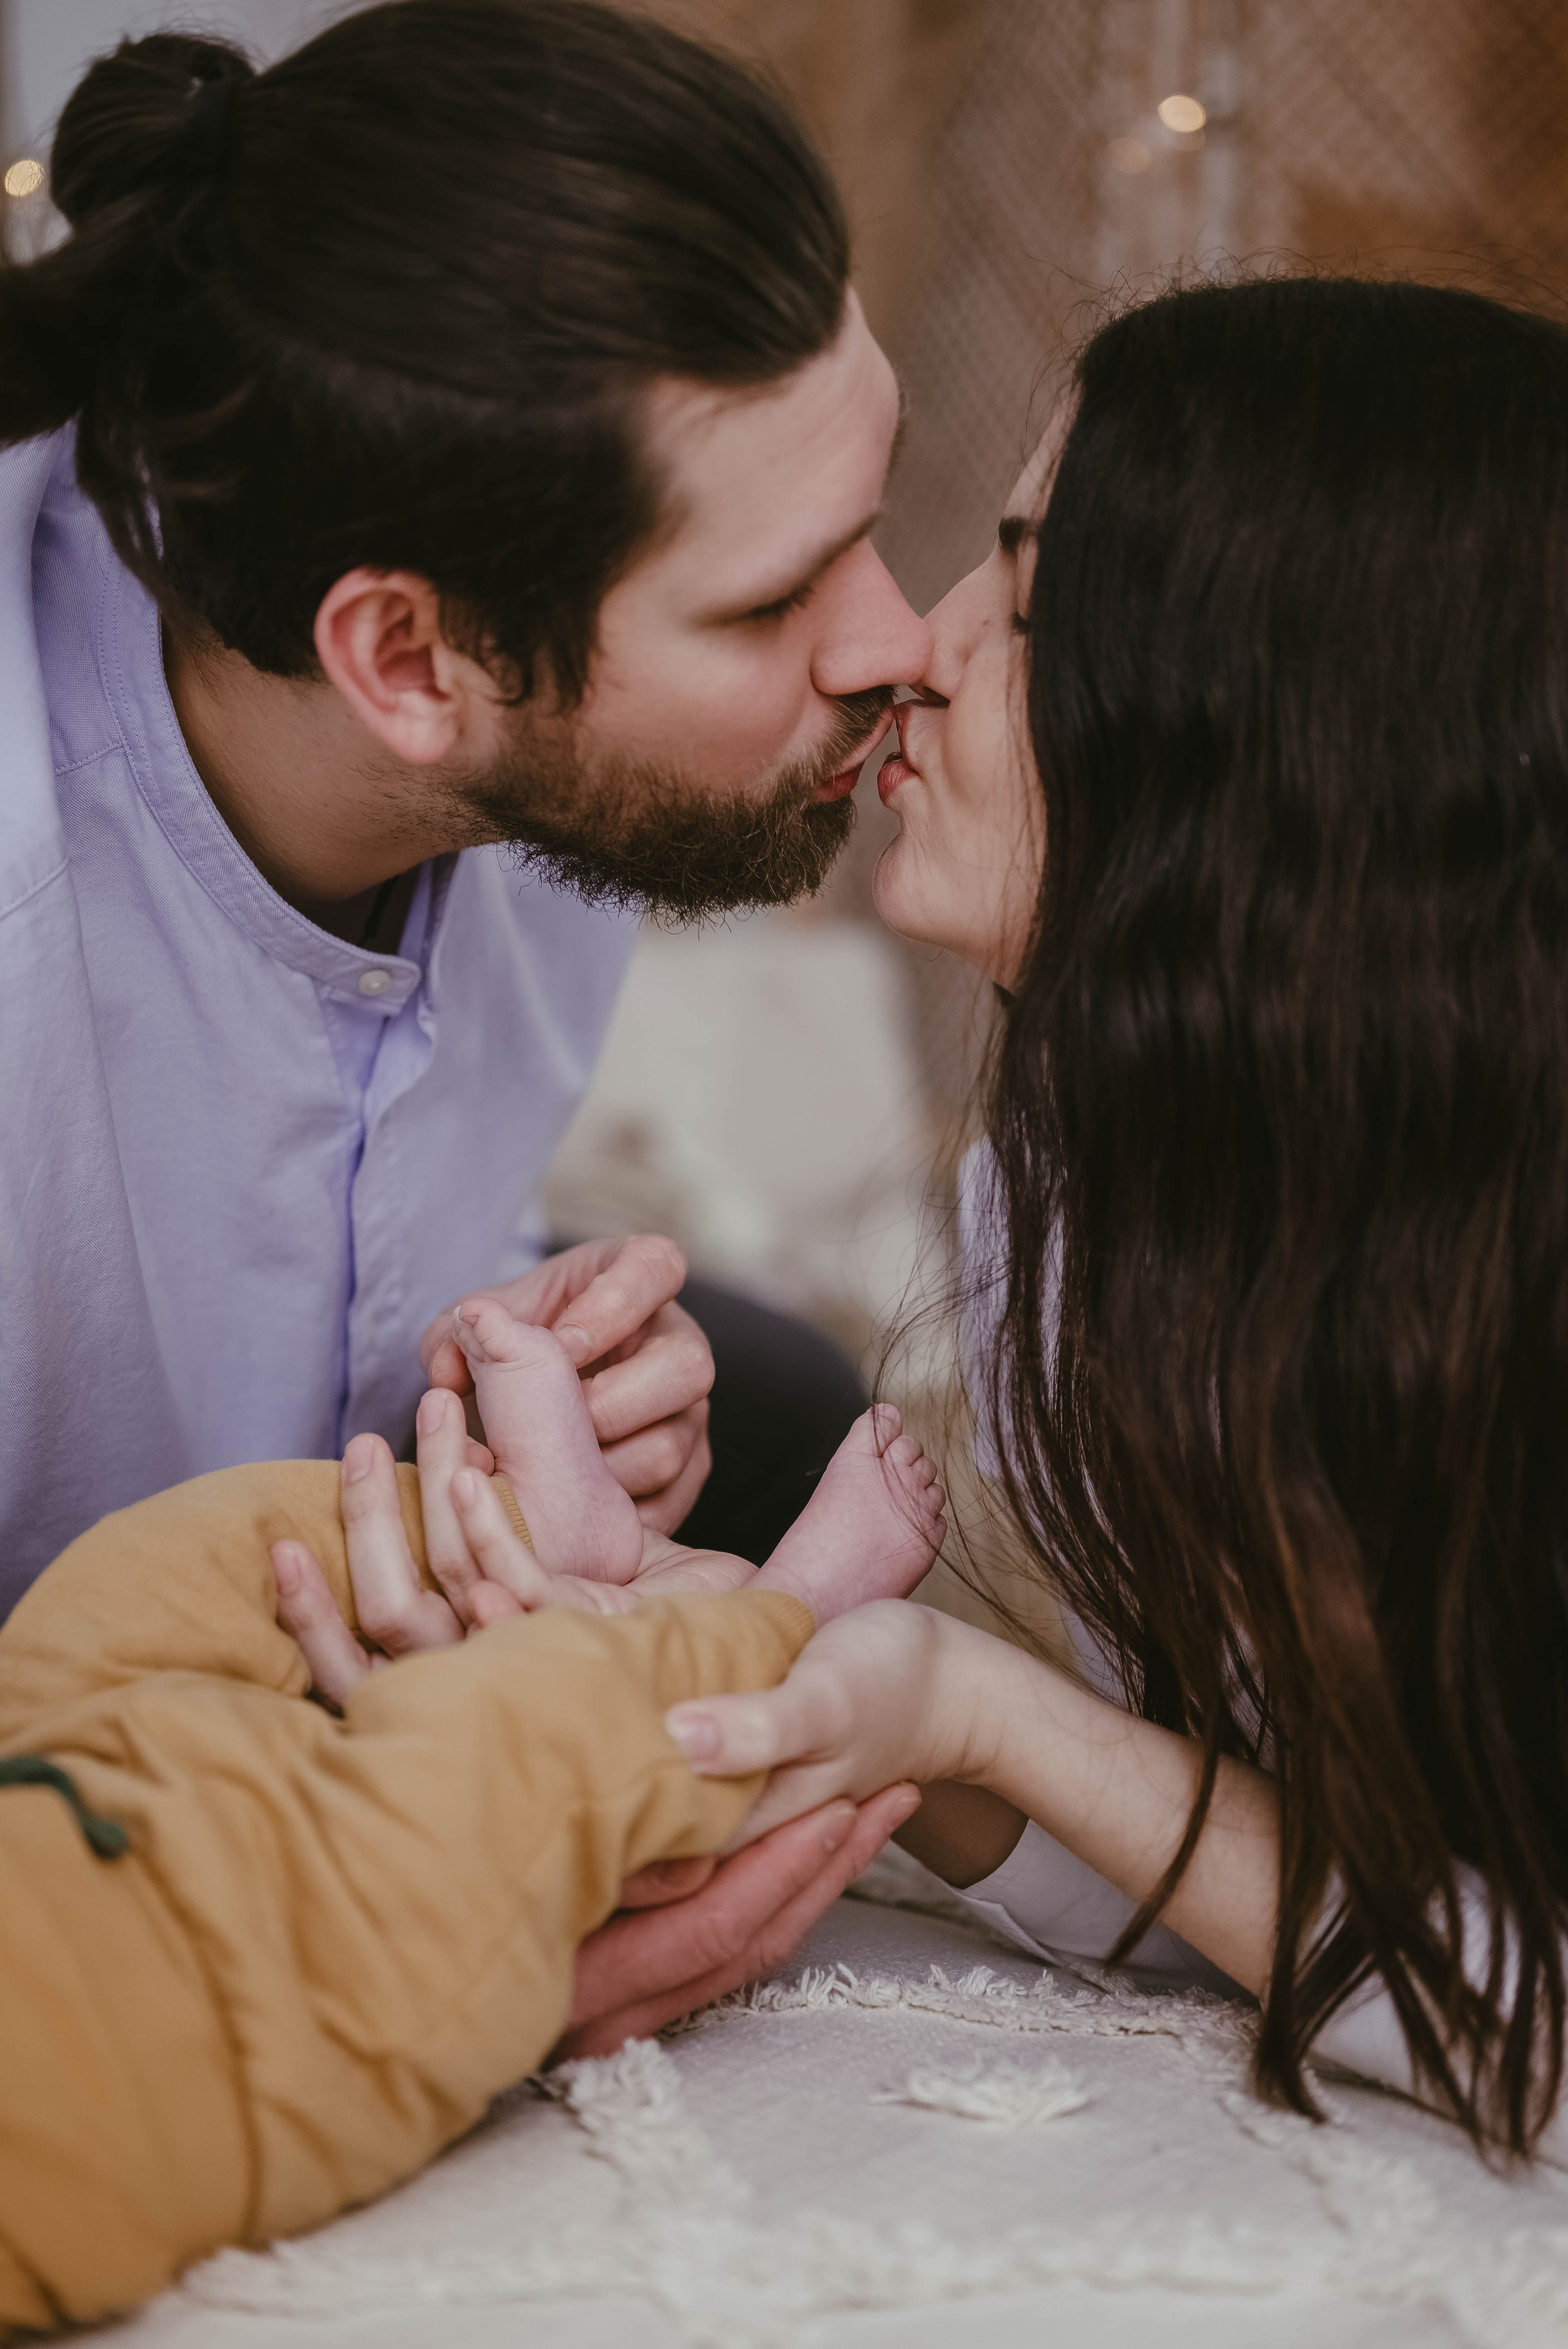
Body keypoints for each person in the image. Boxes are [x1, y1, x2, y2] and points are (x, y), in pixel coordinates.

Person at [662, 274, 1568, 2162]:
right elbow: (1268, 1888)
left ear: (1277, 730)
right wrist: (876, 1719)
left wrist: (988, 1715)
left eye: (1034, 603)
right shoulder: (1087, 1211)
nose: (916, 647)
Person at [0, 0, 932, 1621]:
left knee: (788, 1402)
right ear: (406, 660)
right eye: (771, 600)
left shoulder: (525, 733)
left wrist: (523, 1390)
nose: (897, 641)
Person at [0, 1310, 943, 2329]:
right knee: (513, 1756)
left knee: (149, 1578)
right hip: (229, 1997)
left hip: (37, 1785)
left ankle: (535, 1530)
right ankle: (789, 1617)